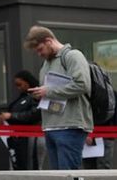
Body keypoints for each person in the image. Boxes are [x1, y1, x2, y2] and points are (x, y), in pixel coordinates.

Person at [23, 26, 93, 170]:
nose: (39, 54)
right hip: (51, 126)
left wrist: (47, 92)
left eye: (40, 49)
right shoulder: (46, 64)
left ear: (48, 41)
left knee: (72, 174)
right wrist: (39, 95)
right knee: (59, 177)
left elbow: (82, 84)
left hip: (70, 126)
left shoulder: (73, 56)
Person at [0, 70, 42, 170]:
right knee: (20, 166)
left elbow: (34, 115)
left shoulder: (35, 96)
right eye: (16, 85)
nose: (18, 88)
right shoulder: (23, 97)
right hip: (19, 138)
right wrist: (4, 117)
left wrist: (11, 116)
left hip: (32, 136)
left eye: (20, 84)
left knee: (32, 166)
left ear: (27, 82)